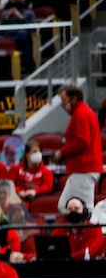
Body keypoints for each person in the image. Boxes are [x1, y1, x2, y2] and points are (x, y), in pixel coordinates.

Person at [52, 84, 102, 213]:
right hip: (80, 169)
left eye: (64, 100)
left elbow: (82, 141)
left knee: (86, 209)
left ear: (73, 99)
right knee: (64, 206)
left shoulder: (81, 114)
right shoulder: (81, 113)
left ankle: (92, 232)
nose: (63, 104)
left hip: (84, 168)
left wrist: (62, 151)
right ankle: (75, 232)